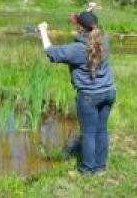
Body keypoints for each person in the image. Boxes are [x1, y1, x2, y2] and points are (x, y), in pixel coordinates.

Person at [38, 11, 116, 175]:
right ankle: (100, 168)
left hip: (89, 96)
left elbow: (50, 52)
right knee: (101, 130)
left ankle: (86, 170)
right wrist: (81, 17)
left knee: (88, 133)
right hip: (109, 92)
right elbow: (91, 24)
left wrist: (43, 31)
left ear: (80, 28)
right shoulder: (104, 40)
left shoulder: (77, 49)